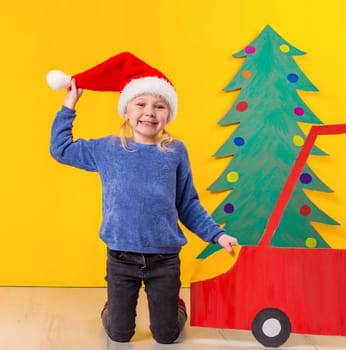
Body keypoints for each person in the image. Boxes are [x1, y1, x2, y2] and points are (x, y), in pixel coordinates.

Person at [47, 52, 239, 344]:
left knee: (166, 335)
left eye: (159, 106)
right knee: (120, 334)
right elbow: (61, 149)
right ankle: (114, 306)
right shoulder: (107, 149)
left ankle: (174, 305)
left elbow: (187, 203)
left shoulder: (175, 151)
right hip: (121, 258)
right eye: (141, 104)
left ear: (168, 114)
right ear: (126, 110)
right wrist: (69, 105)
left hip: (165, 259)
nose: (150, 112)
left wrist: (217, 235)